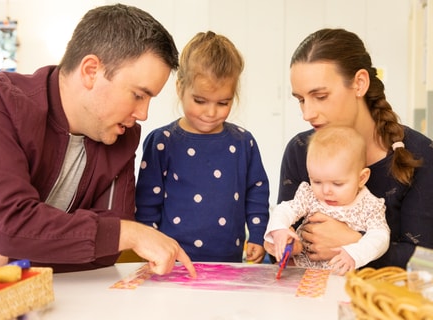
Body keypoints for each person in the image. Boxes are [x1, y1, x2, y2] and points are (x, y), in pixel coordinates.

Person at [0, 4, 196, 277]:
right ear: (91, 71)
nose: (143, 114)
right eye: (138, 95)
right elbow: (12, 227)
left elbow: (105, 253)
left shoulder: (123, 137)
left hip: (15, 287)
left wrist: (6, 254)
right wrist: (127, 234)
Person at [266, 28, 433, 269]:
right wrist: (281, 243)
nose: (307, 114)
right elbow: (281, 251)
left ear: (359, 83)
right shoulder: (300, 149)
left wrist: (355, 243)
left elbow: (426, 265)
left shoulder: (420, 155)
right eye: (301, 99)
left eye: (320, 96)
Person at [135, 31, 269, 263]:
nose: (210, 112)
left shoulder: (243, 142)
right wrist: (149, 246)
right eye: (200, 101)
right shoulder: (162, 142)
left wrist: (257, 236)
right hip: (173, 263)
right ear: (180, 88)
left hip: (230, 263)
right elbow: (147, 203)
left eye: (223, 103)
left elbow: (256, 192)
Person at [264, 126, 390, 275]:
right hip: (300, 272)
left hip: (341, 277)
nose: (325, 191)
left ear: (361, 178)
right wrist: (279, 229)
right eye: (317, 181)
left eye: (337, 184)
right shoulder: (309, 195)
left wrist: (354, 253)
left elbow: (381, 237)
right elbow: (285, 209)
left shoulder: (370, 206)